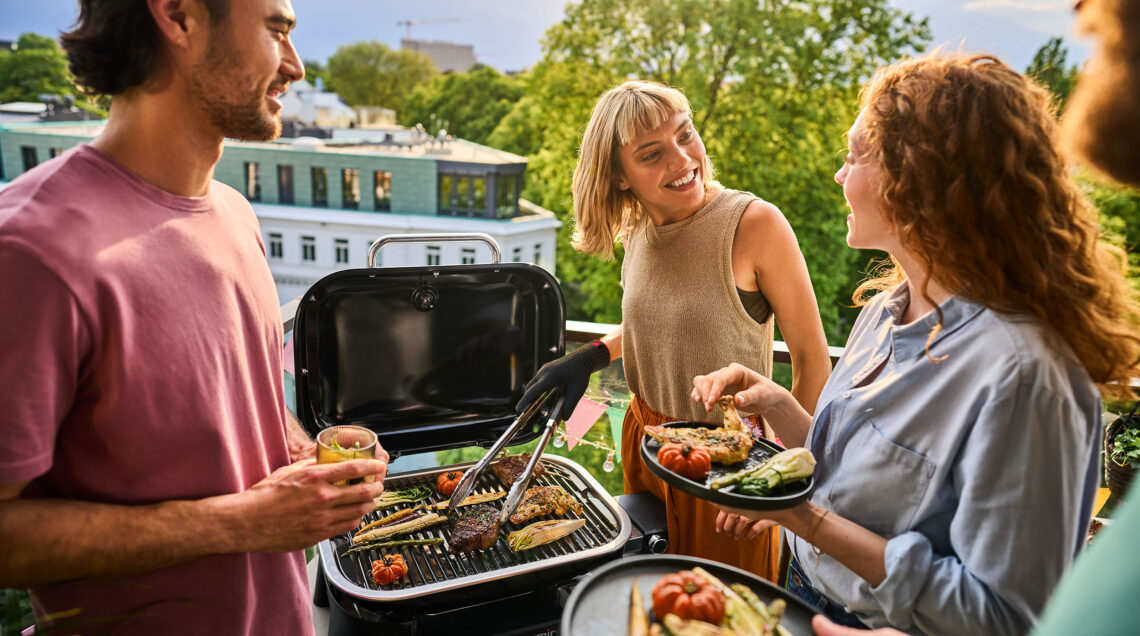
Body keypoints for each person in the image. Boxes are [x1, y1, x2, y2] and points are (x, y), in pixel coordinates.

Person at [692, 52, 1140, 634]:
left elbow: (1002, 615)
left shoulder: (1027, 376)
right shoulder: (887, 308)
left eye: (854, 156)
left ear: (918, 179)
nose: (839, 175)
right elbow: (849, 478)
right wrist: (779, 405)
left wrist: (798, 516)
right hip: (798, 595)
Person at [0, 0, 389, 633]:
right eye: (276, 29)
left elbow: (230, 404)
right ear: (178, 16)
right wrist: (245, 522)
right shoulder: (31, 250)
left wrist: (298, 447)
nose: (293, 66)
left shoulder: (236, 215)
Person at [516, 80, 833, 580]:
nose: (682, 160)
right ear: (620, 177)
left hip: (726, 460)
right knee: (654, 594)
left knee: (722, 613)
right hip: (646, 439)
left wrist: (779, 476)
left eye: (686, 135)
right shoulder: (639, 229)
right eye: (652, 154)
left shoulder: (754, 225)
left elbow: (814, 362)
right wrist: (593, 354)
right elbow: (664, 321)